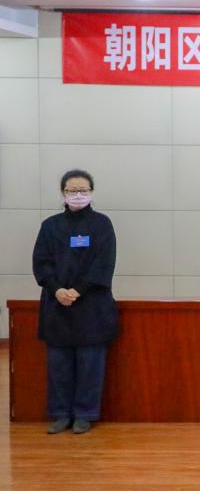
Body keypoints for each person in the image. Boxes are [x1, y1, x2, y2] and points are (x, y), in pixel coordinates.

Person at [31, 169, 118, 435]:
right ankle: (60, 414)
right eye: (72, 191)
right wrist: (57, 289)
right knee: (59, 365)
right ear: (63, 193)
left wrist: (77, 291)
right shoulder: (50, 226)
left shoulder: (102, 224)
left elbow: (104, 264)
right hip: (57, 305)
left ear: (91, 192)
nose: (78, 195)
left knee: (91, 363)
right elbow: (41, 263)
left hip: (91, 305)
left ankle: (85, 414)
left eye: (83, 190)